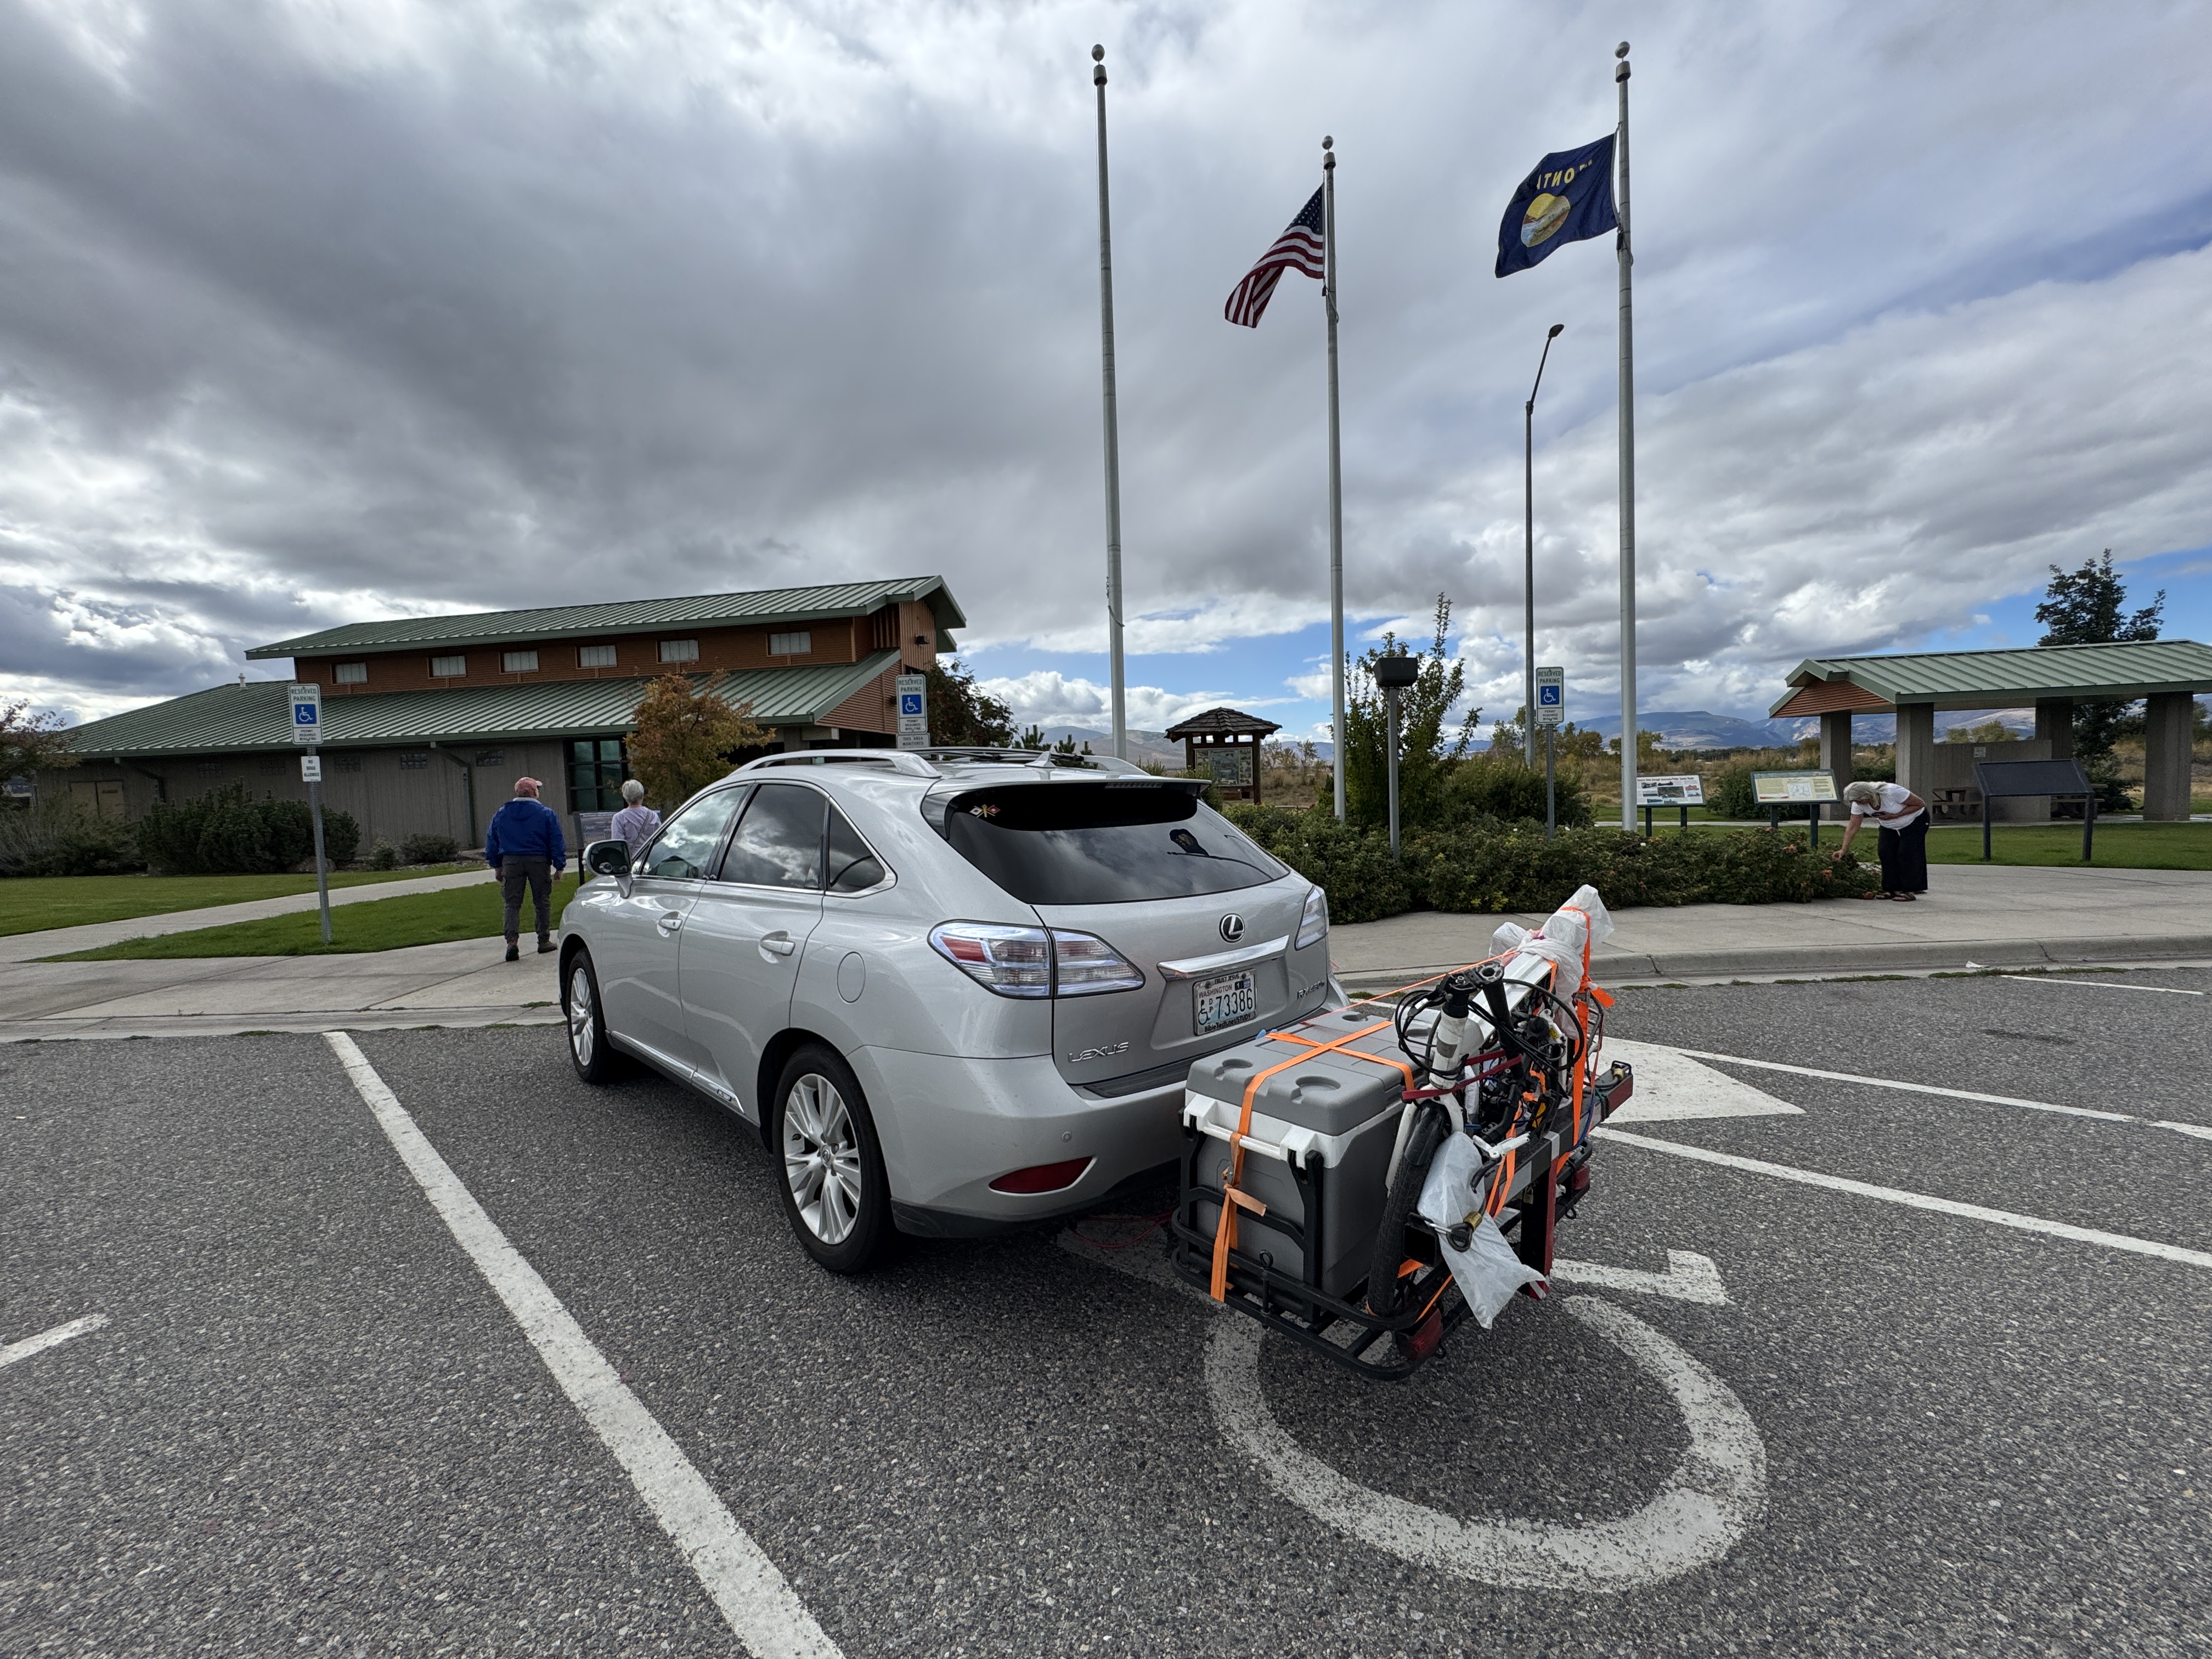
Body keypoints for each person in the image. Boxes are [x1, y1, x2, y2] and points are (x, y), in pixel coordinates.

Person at [484, 776, 567, 960]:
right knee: (542, 901)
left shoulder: (502, 814)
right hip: (538, 860)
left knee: (512, 903)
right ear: (534, 792)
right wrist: (559, 866)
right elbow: (556, 841)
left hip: (511, 861)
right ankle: (543, 940)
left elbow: (492, 841)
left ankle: (512, 942)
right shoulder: (546, 814)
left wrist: (496, 865)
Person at [1833, 778, 1928, 901]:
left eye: (1860, 800)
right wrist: (1843, 849)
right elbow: (1853, 826)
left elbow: (1920, 804)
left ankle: (1910, 890)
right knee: (1885, 852)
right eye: (1855, 802)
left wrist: (1895, 816)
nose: (1858, 803)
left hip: (1915, 820)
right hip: (1888, 825)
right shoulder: (1858, 804)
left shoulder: (1891, 791)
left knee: (1907, 853)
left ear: (1868, 795)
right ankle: (1892, 889)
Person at [609, 780, 661, 862]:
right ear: (642, 795)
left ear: (625, 797)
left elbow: (618, 845)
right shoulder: (653, 815)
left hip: (632, 861)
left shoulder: (619, 818)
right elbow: (660, 840)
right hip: (652, 860)